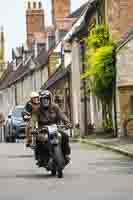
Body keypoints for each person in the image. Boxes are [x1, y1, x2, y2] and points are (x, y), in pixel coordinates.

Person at [37, 90, 71, 165]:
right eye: (43, 99)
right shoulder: (37, 109)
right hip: (43, 130)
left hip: (55, 128)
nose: (45, 101)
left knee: (65, 136)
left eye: (47, 99)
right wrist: (32, 128)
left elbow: (62, 115)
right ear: (40, 100)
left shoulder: (55, 107)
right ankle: (41, 158)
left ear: (50, 99)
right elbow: (32, 120)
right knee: (39, 140)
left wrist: (67, 122)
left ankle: (66, 154)